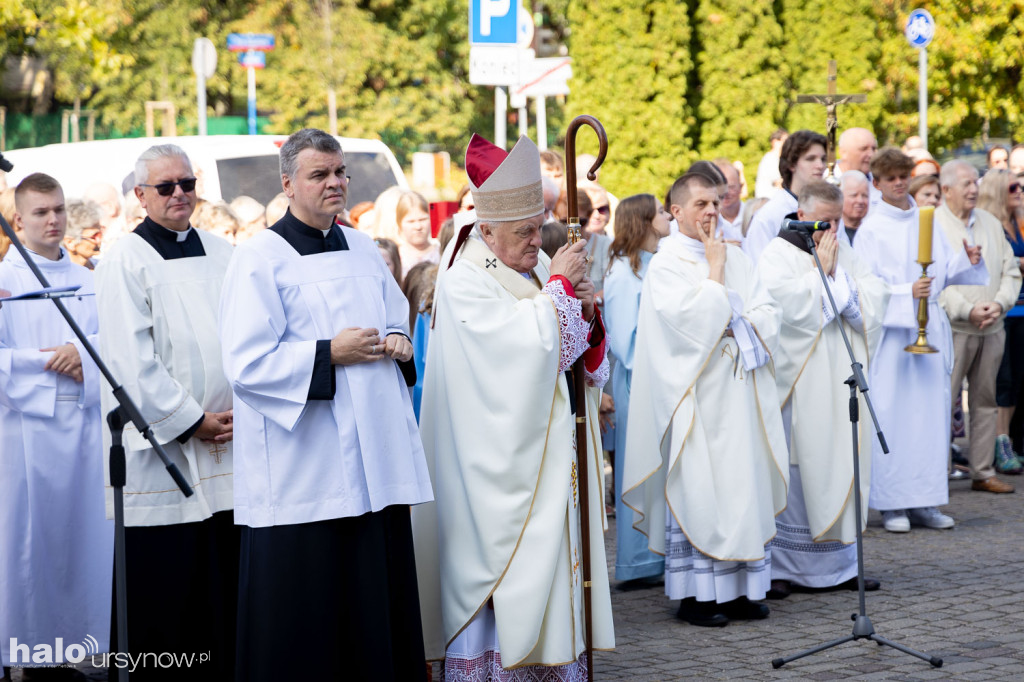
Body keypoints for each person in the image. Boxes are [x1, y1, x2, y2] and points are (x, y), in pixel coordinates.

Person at [218, 128, 430, 681]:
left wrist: (398, 339)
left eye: (340, 172)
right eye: (320, 174)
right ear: (288, 184)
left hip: (372, 460)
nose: (335, 182)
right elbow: (245, 361)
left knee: (372, 600)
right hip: (304, 464)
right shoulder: (261, 258)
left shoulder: (362, 246)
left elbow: (393, 315)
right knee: (309, 613)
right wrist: (326, 354)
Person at [414, 133, 614, 678]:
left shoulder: (533, 262)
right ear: (485, 230)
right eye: (524, 231)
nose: (536, 239)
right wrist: (559, 294)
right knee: (499, 578)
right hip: (494, 471)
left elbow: (566, 352)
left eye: (538, 227)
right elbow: (510, 357)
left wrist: (586, 311)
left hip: (544, 461)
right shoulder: (462, 281)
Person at [95, 144, 238, 681]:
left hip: (231, 446)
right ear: (140, 196)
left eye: (187, 184)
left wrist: (235, 413)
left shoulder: (226, 254)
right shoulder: (123, 261)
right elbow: (130, 361)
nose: (179, 194)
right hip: (165, 452)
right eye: (165, 187)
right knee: (169, 588)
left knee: (222, 581)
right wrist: (190, 420)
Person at [623, 172, 788, 628]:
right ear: (675, 212)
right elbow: (688, 326)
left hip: (741, 396)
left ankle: (741, 591)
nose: (711, 211)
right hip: (697, 402)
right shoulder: (667, 263)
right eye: (700, 204)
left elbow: (768, 311)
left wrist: (743, 318)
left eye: (715, 202)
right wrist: (716, 276)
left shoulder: (737, 257)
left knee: (743, 489)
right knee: (703, 493)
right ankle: (698, 596)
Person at [0, 173, 113, 678]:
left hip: (87, 429)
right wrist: (52, 364)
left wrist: (84, 357)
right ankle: (28, 651)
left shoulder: (92, 282)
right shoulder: (5, 288)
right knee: (30, 545)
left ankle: (87, 646)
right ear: (19, 220)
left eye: (60, 210)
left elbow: (116, 346)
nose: (54, 220)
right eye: (42, 212)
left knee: (87, 540)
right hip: (27, 435)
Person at [756, 180, 890, 598]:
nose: (830, 231)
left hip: (839, 384)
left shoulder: (840, 247)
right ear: (801, 215)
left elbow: (873, 293)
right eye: (823, 222)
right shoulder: (776, 254)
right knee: (799, 473)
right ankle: (783, 569)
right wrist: (822, 277)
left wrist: (843, 289)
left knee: (841, 463)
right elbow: (784, 312)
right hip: (799, 388)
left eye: (836, 221)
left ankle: (840, 567)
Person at [853, 148, 988, 533]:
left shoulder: (924, 219)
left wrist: (970, 261)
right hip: (894, 338)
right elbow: (866, 287)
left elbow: (944, 270)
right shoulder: (871, 230)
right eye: (890, 177)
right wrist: (905, 291)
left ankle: (926, 501)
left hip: (930, 333)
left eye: (903, 175)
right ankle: (893, 504)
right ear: (876, 183)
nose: (899, 183)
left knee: (929, 419)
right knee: (895, 418)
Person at [937, 160, 1021, 489]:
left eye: (976, 182)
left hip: (993, 326)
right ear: (946, 190)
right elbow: (935, 280)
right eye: (965, 184)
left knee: (986, 402)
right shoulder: (933, 224)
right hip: (954, 328)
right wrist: (967, 309)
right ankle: (937, 473)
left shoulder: (989, 221)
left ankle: (983, 471)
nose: (973, 189)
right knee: (943, 401)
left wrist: (999, 303)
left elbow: (1010, 269)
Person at [603, 193, 671, 585]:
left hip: (659, 377)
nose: (667, 216)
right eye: (661, 212)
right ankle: (637, 561)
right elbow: (625, 340)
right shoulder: (624, 273)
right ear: (643, 221)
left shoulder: (654, 265)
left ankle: (658, 554)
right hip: (639, 379)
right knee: (640, 466)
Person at [979, 170, 1024, 467]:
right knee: (1003, 381)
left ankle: (1012, 440)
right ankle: (1000, 443)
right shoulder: (991, 226)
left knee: (1018, 380)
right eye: (1013, 186)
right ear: (998, 191)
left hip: (1021, 310)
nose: (1019, 190)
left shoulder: (1017, 222)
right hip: (1003, 311)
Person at [744, 130, 827, 262]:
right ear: (792, 164)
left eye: (823, 159)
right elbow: (757, 270)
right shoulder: (768, 216)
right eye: (810, 159)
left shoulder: (829, 211)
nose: (820, 165)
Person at [396, 189, 439, 277]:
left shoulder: (441, 254)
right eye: (411, 222)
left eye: (422, 219)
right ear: (400, 224)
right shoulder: (396, 259)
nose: (418, 227)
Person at [63, 198, 104, 268]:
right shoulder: (57, 276)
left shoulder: (103, 268)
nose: (100, 240)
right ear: (70, 242)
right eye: (94, 236)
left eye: (100, 234)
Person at [839, 170, 870, 245]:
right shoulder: (834, 233)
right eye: (854, 195)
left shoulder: (872, 232)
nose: (860, 201)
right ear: (840, 197)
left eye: (865, 196)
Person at [755, 128, 788, 198]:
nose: (788, 144)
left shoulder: (777, 158)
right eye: (785, 141)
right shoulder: (770, 159)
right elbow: (779, 183)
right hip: (767, 201)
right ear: (775, 142)